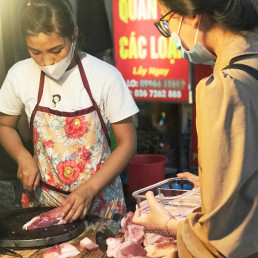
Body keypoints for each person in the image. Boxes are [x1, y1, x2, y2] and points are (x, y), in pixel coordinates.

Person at [132, 0, 258, 257]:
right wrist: (221, 184)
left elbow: (223, 240)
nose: (171, 36)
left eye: (166, 23)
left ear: (192, 16)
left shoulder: (226, 88)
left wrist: (170, 227)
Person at [0, 0, 139, 224]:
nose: (47, 61)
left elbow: (127, 143)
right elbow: (4, 125)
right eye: (35, 52)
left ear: (73, 34)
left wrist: (89, 189)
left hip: (100, 203)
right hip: (45, 201)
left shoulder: (105, 76)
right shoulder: (19, 75)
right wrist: (22, 157)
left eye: (56, 50)